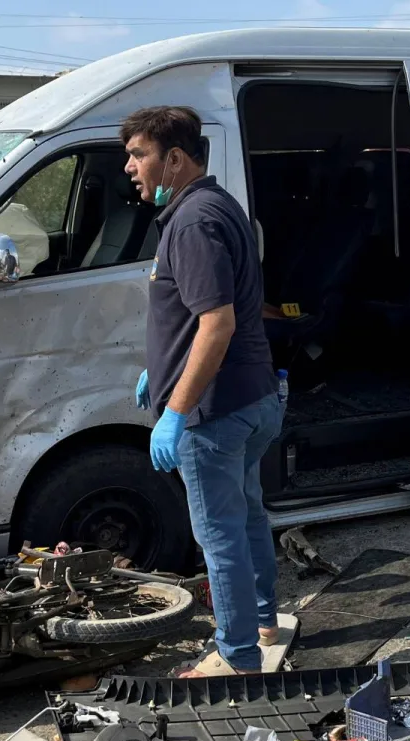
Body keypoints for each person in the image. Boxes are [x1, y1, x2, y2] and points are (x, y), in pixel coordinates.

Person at [122, 105, 282, 678]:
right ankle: (265, 621)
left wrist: (176, 409)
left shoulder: (190, 223)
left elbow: (216, 323)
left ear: (175, 159)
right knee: (248, 517)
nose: (129, 167)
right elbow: (199, 317)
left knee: (219, 539)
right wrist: (159, 370)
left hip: (215, 413)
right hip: (253, 397)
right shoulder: (216, 205)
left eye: (138, 155)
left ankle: (238, 660)